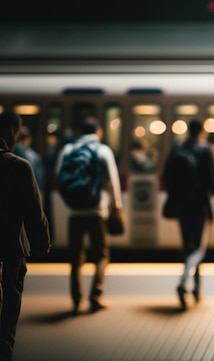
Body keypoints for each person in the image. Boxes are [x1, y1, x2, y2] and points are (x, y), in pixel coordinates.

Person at [55, 117, 123, 314]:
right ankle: (95, 295)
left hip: (74, 212)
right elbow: (113, 181)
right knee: (101, 255)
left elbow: (60, 178)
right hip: (97, 212)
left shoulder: (67, 150)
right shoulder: (102, 150)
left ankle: (76, 299)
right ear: (98, 132)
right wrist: (116, 206)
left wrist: (70, 202)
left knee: (75, 258)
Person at [0, 112, 51, 360]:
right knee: (6, 324)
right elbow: (34, 212)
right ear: (11, 131)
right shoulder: (19, 167)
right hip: (10, 253)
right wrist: (42, 244)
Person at [162, 119, 214, 310]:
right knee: (199, 248)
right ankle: (187, 282)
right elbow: (212, 184)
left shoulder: (178, 149)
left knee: (188, 247)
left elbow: (166, 176)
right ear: (201, 131)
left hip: (182, 207)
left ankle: (195, 289)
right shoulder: (205, 150)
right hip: (199, 206)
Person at [14, 126, 45, 192]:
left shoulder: (10, 153)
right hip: (30, 192)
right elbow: (38, 179)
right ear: (28, 139)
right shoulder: (34, 156)